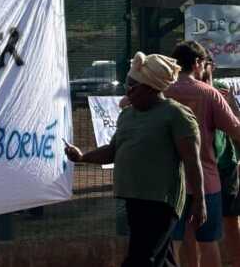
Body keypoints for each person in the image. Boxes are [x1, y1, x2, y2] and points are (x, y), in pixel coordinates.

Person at [65, 51, 203, 267]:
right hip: (134, 199)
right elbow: (112, 151)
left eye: (133, 87)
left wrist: (200, 202)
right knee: (161, 258)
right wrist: (82, 156)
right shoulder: (127, 115)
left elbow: (192, 161)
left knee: (140, 259)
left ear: (151, 88)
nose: (127, 91)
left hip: (161, 202)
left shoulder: (176, 115)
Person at [166, 41, 240, 267]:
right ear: (197, 63)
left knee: (172, 243)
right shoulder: (210, 94)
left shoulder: (160, 90)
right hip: (207, 181)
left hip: (170, 183)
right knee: (208, 241)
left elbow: (126, 103)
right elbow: (236, 130)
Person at [203, 55, 240, 267]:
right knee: (198, 222)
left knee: (231, 217)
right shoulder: (187, 89)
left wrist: (226, 103)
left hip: (225, 164)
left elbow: (235, 123)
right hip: (198, 167)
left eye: (206, 63)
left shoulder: (220, 87)